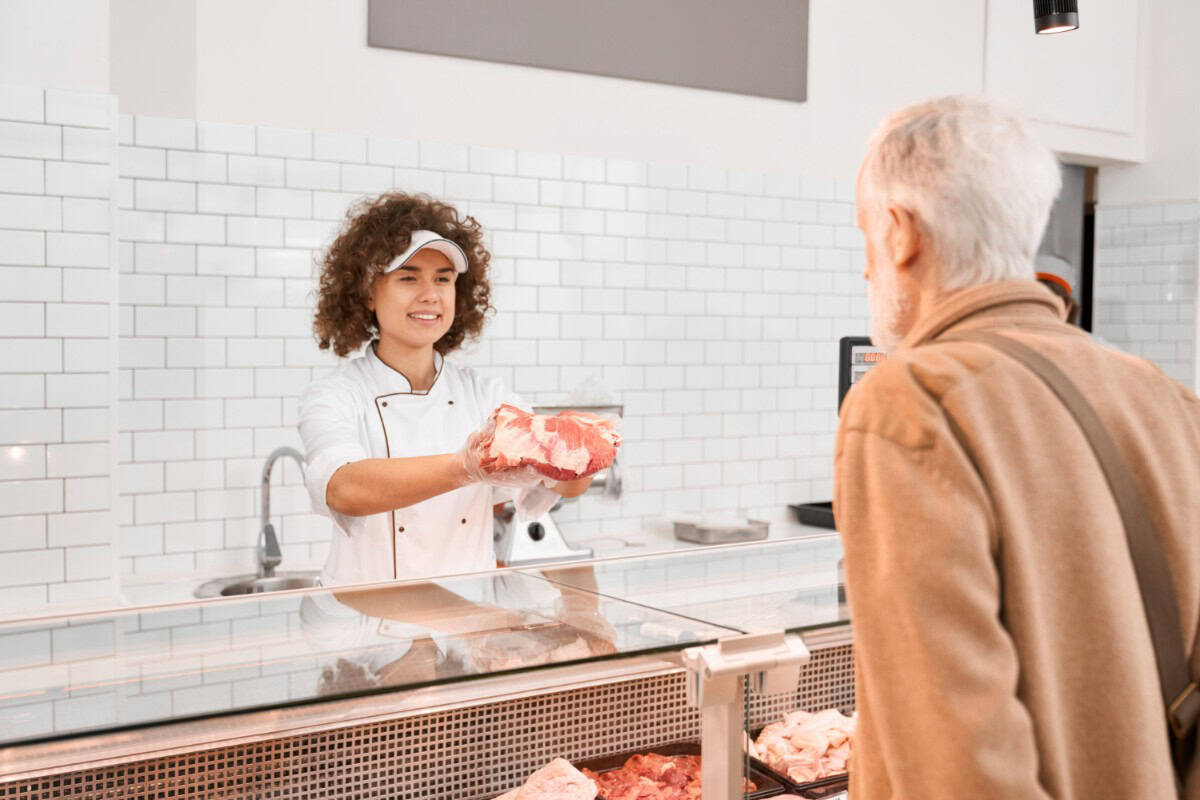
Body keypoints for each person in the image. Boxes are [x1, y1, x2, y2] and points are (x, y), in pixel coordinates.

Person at [834, 95, 1199, 799]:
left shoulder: (910, 403)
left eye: (865, 242)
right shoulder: (1167, 400)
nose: (867, 272)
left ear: (900, 231)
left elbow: (954, 764)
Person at [298, 192, 592, 587]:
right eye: (408, 277)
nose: (430, 295)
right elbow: (344, 488)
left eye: (443, 279)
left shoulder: (484, 394)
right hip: (372, 633)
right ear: (368, 292)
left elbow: (566, 484)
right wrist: (462, 467)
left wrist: (579, 452)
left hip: (467, 622)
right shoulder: (337, 394)